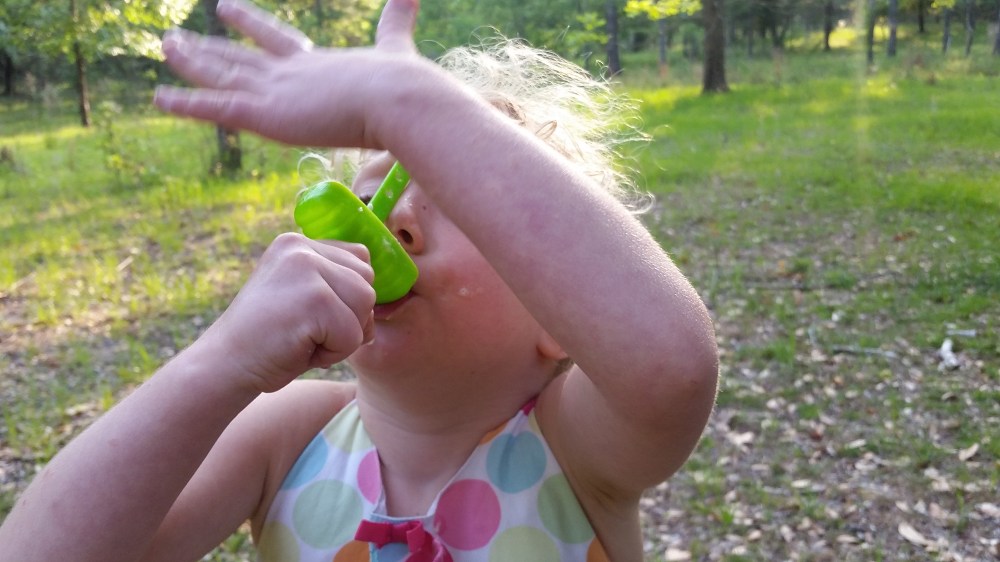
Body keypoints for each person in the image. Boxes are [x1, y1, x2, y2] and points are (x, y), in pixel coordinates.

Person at [0, 0, 718, 560]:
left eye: (455, 199)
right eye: (370, 196)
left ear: (562, 305)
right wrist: (219, 360)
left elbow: (671, 368)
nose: (388, 224)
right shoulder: (282, 439)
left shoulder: (581, 449)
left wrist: (406, 102)